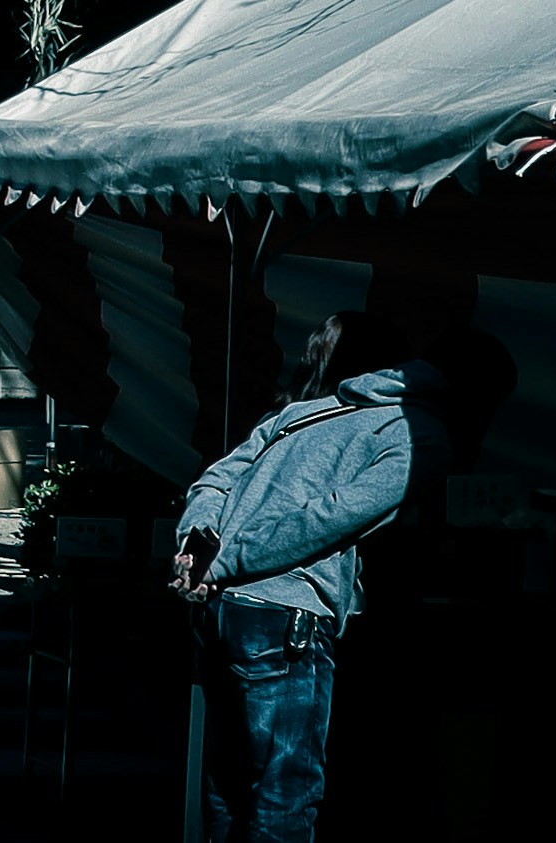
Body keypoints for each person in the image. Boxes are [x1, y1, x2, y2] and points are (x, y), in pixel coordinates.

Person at [168, 312, 440, 843]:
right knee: (284, 793)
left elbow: (215, 481)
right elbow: (330, 517)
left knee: (230, 783)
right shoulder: (410, 429)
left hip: (224, 610)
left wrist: (197, 549)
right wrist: (218, 561)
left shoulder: (296, 415)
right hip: (285, 617)